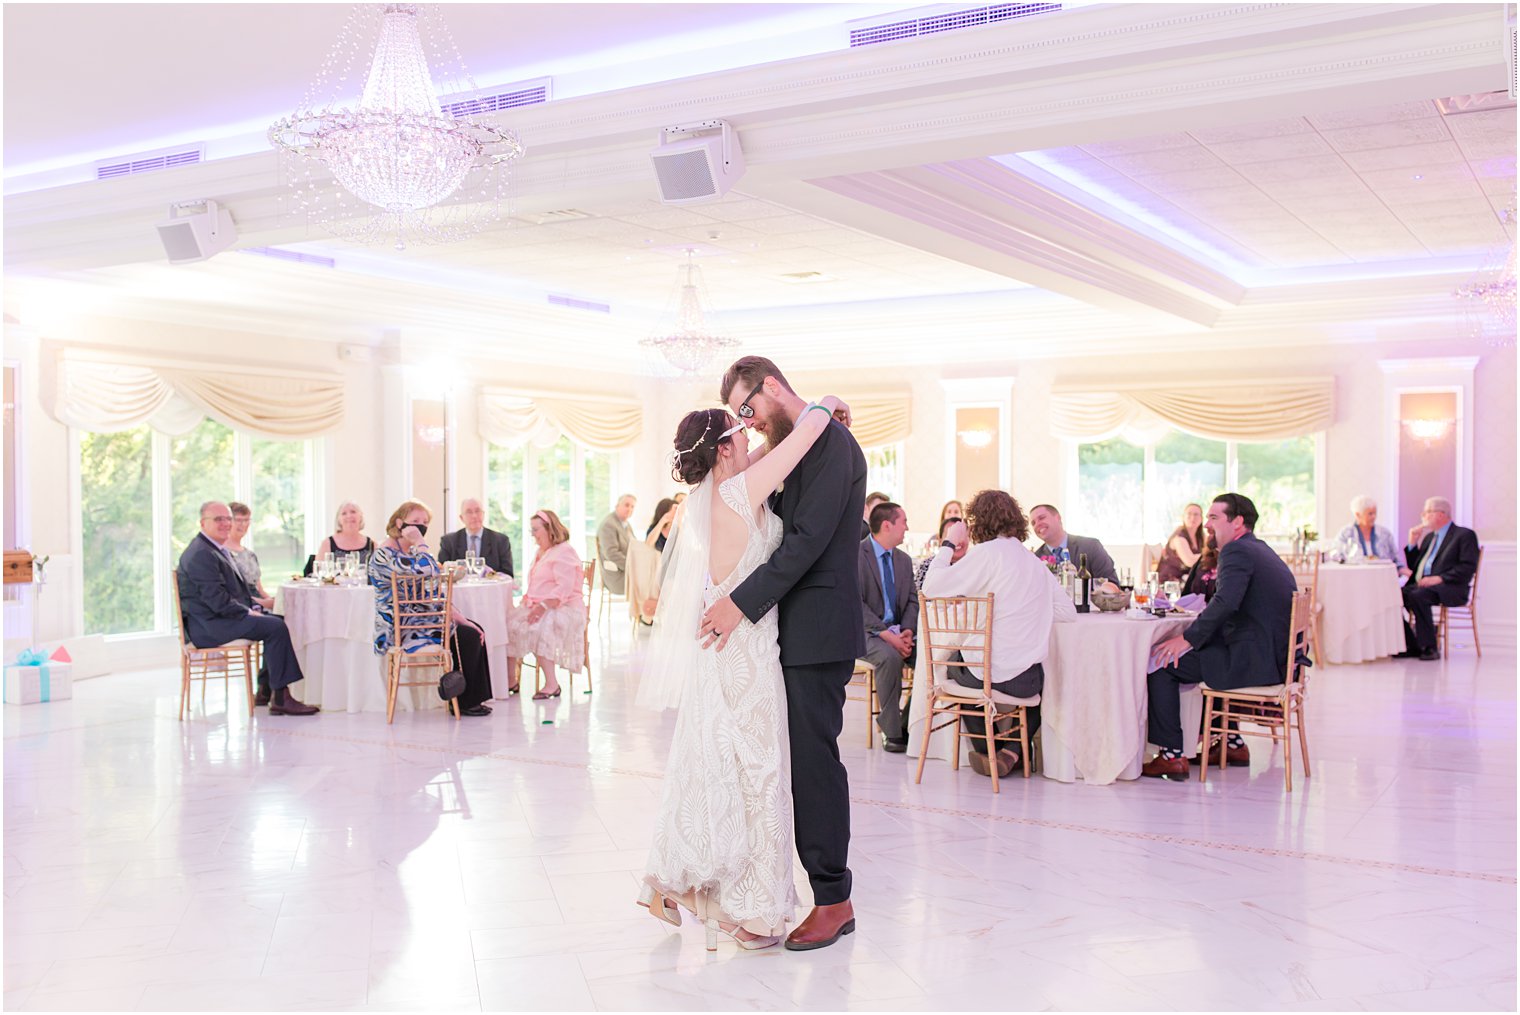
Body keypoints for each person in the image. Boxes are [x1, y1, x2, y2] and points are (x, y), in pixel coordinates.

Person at [638, 384, 850, 952]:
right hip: (748, 653)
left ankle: (678, 880)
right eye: (741, 431)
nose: (751, 437)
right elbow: (802, 437)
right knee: (760, 776)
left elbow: (768, 455)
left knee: (722, 765)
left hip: (726, 650)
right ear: (726, 448)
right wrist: (825, 403)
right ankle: (755, 911)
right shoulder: (738, 493)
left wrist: (764, 432)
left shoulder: (712, 497)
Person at [695, 355, 866, 952]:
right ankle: (780, 890)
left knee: (813, 765)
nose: (749, 421)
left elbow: (805, 544)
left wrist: (737, 604)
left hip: (818, 629)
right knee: (785, 766)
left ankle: (833, 899)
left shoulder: (829, 443)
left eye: (749, 407)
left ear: (771, 387)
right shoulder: (804, 440)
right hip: (792, 629)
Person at [921, 490, 1076, 778]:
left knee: (955, 662)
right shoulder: (1034, 562)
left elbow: (931, 587)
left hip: (988, 674)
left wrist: (948, 543)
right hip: (1027, 682)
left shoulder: (986, 553)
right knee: (1041, 677)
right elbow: (1068, 613)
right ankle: (1011, 752)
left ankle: (987, 749)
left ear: (978, 522)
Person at [1143, 493, 1298, 781]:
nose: (1207, 524)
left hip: (1252, 661)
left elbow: (1226, 603)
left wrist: (1187, 638)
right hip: (1273, 657)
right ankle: (1230, 742)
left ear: (1238, 522)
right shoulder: (1258, 549)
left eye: (1214, 518)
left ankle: (1171, 756)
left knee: (1160, 663)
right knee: (1199, 653)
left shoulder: (1236, 551)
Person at [176, 501, 318, 716]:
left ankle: (266, 689)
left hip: (218, 618)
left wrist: (252, 607)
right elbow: (217, 600)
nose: (225, 523)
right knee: (275, 627)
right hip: (210, 626)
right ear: (202, 523)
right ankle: (280, 697)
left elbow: (229, 594)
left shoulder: (214, 549)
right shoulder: (201, 554)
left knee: (276, 619)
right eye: (218, 519)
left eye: (227, 519)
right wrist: (246, 612)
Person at [369, 501, 494, 716]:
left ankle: (469, 697)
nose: (421, 526)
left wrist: (459, 617)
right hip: (400, 627)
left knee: (473, 629)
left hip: (426, 619)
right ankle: (465, 701)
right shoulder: (384, 553)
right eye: (415, 522)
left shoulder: (412, 552)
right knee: (466, 637)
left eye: (425, 522)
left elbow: (433, 588)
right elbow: (428, 569)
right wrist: (421, 543)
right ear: (400, 523)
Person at [857, 501, 917, 753]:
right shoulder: (856, 554)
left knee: (930, 658)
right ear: (887, 525)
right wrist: (885, 634)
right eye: (903, 522)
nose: (907, 527)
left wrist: (908, 632)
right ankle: (892, 732)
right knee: (889, 657)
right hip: (866, 633)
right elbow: (854, 602)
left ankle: (908, 723)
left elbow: (913, 599)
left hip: (899, 631)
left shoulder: (903, 560)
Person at [507, 509, 587, 699]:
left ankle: (552, 684)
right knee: (509, 625)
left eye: (536, 530)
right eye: (531, 530)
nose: (533, 535)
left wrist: (542, 606)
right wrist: (531, 600)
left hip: (566, 606)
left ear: (549, 529)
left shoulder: (564, 551)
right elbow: (538, 584)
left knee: (539, 628)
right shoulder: (541, 552)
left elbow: (564, 588)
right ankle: (510, 680)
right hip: (542, 604)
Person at [1397, 496, 1480, 661]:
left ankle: (1429, 647)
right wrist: (1412, 543)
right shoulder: (1429, 538)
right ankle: (1412, 644)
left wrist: (1440, 578)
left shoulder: (1464, 535)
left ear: (1441, 514)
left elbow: (1468, 566)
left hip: (1450, 587)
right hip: (1423, 585)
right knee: (1392, 597)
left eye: (1427, 512)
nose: (1423, 515)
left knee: (1417, 596)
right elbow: (1416, 569)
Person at [1029, 503, 1120, 586]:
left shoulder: (1091, 546)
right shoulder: (1036, 559)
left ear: (1058, 518)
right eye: (1033, 523)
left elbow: (1111, 584)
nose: (1037, 524)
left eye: (1041, 518)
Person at [438, 498, 514, 576]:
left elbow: (508, 575)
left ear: (483, 514)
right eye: (469, 512)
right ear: (461, 517)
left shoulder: (501, 541)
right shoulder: (448, 542)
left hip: (490, 587)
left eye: (478, 511)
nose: (474, 516)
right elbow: (441, 573)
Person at [1333, 495, 1403, 567]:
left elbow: (1396, 560)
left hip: (1381, 575)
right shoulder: (1346, 534)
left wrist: (1403, 570)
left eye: (1375, 513)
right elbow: (1336, 555)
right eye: (1370, 514)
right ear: (1358, 515)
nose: (1374, 517)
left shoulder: (1385, 534)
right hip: (1355, 575)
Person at [596, 494, 636, 595]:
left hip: (628, 571)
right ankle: (641, 610)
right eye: (626, 505)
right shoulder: (608, 525)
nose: (629, 509)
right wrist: (633, 567)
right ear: (617, 506)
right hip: (617, 576)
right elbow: (611, 553)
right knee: (649, 580)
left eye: (632, 506)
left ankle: (642, 610)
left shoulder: (626, 524)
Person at [315, 501, 375, 566]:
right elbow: (319, 570)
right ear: (339, 520)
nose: (349, 516)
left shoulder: (372, 544)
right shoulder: (327, 543)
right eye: (344, 513)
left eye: (353, 512)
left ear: (360, 517)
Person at [1155, 503, 1204, 584]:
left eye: (1196, 514)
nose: (1192, 518)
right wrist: (1208, 555)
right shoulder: (1179, 537)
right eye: (1189, 514)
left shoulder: (1201, 537)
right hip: (1169, 583)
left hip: (1186, 580)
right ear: (1183, 517)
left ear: (1201, 518)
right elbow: (1190, 561)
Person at [916, 515, 966, 590]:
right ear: (940, 540)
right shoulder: (927, 565)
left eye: (961, 535)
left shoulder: (975, 565)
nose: (957, 541)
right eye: (951, 536)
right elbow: (919, 597)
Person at [1180, 525, 1220, 601]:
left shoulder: (1235, 561)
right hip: (1191, 611)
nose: (1207, 525)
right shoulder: (1203, 559)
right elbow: (1186, 594)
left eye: (1214, 518)